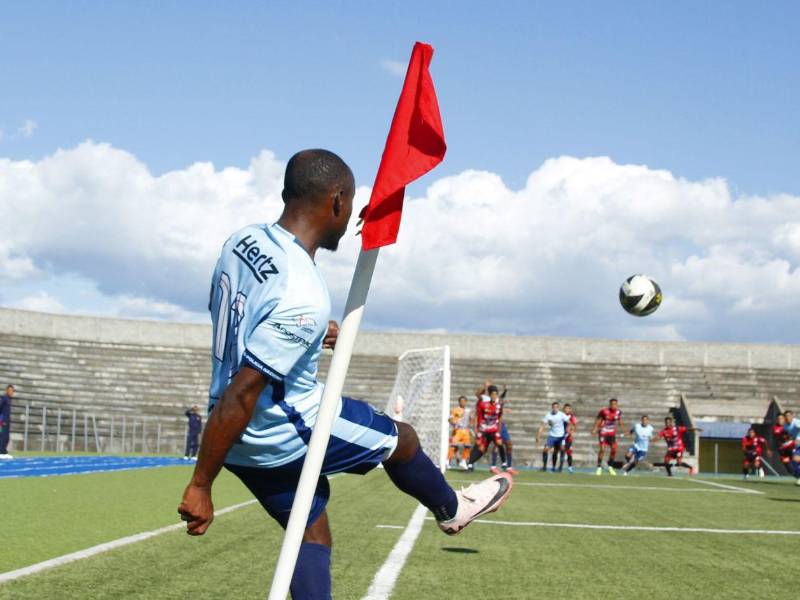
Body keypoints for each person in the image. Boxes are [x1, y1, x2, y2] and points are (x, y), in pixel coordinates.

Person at [177, 150, 513, 599]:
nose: (351, 214)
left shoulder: (243, 239)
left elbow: (246, 314)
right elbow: (246, 392)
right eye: (350, 203)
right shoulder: (303, 294)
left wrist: (310, 336)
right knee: (403, 440)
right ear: (337, 200)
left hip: (236, 439)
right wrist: (201, 483)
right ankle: (453, 508)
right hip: (282, 428)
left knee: (311, 533)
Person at [467, 385, 510, 473]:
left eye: (496, 395)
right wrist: (476, 428)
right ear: (490, 395)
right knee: (480, 448)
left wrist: (498, 429)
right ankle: (470, 464)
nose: (494, 396)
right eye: (493, 394)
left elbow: (500, 417)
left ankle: (504, 463)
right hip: (484, 430)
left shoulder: (498, 406)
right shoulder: (483, 404)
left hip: (493, 430)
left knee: (499, 443)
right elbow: (478, 416)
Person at [591, 398, 626, 476]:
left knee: (614, 450)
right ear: (609, 405)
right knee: (602, 450)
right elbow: (598, 420)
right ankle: (599, 467)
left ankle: (610, 467)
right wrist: (594, 429)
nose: (613, 405)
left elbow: (619, 420)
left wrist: (624, 429)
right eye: (612, 404)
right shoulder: (604, 411)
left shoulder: (618, 412)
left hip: (612, 434)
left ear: (617, 405)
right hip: (603, 432)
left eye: (615, 404)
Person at [537, 402, 570, 473]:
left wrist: (569, 429)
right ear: (552, 408)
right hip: (552, 436)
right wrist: (538, 435)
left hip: (561, 436)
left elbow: (569, 422)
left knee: (560, 450)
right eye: (554, 407)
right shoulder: (548, 415)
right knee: (545, 449)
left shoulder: (561, 415)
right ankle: (544, 467)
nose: (555, 408)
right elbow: (542, 426)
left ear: (558, 408)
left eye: (556, 407)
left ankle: (560, 468)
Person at [448, 396, 472, 470]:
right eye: (461, 401)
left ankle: (463, 461)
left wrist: (470, 426)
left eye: (464, 401)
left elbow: (471, 419)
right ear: (459, 402)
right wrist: (454, 423)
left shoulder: (468, 410)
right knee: (453, 446)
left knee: (468, 446)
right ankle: (447, 461)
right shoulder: (455, 410)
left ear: (466, 402)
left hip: (466, 430)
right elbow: (450, 419)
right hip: (458, 430)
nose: (463, 403)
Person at [558, 403, 577, 473]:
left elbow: (574, 427)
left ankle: (570, 467)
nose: (566, 410)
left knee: (569, 452)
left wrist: (571, 434)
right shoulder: (561, 416)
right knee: (562, 451)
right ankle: (560, 467)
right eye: (565, 408)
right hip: (561, 436)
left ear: (570, 409)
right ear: (563, 409)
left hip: (568, 437)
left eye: (568, 408)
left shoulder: (572, 417)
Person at [0, 384, 13, 459]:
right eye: (10, 390)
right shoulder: (4, 398)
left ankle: (4, 452)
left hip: (7, 420)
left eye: (12, 391)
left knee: (7, 437)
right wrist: (1, 420)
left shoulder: (9, 399)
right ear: (7, 390)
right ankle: (1, 452)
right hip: (3, 420)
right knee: (3, 436)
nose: (11, 392)